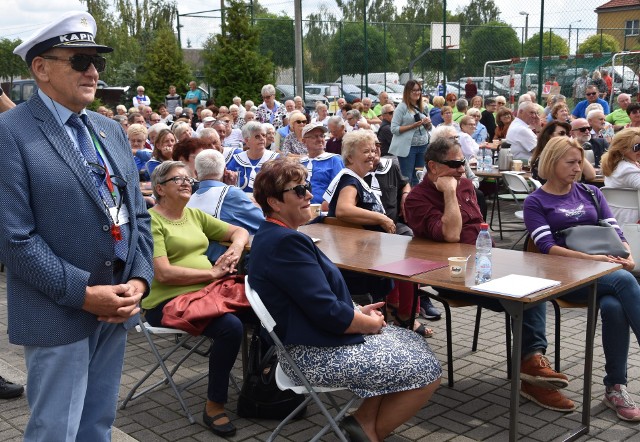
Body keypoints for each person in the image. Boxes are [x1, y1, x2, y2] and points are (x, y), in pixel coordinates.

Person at [2, 11, 153, 439]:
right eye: (80, 60)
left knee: (97, 426)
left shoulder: (109, 129)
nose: (92, 71)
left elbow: (137, 214)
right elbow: (14, 238)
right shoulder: (10, 132)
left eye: (97, 62)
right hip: (60, 310)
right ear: (40, 68)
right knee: (55, 431)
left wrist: (139, 280)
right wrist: (85, 295)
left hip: (116, 307)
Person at [248, 157, 441, 442]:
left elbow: (311, 300)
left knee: (411, 341)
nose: (310, 195)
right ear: (275, 203)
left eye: (307, 187)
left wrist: (358, 310)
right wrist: (368, 323)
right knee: (428, 370)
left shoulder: (274, 235)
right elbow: (328, 313)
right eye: (299, 191)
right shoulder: (286, 243)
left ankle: (362, 422)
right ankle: (368, 433)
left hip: (310, 340)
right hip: (311, 354)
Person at [405, 137, 577, 412]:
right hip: (453, 277)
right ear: (433, 168)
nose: (462, 169)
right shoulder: (416, 199)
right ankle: (532, 371)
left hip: (487, 266)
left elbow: (478, 230)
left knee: (534, 286)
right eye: (454, 164)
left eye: (462, 162)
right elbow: (450, 235)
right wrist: (449, 193)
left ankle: (531, 365)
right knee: (525, 295)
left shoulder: (465, 185)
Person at [524, 136, 640, 421]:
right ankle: (615, 387)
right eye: (571, 162)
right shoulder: (535, 201)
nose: (578, 168)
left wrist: (628, 255)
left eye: (580, 162)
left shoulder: (591, 192)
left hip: (604, 272)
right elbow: (547, 248)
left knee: (614, 306)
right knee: (624, 282)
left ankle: (616, 387)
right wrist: (594, 262)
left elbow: (616, 231)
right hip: (565, 278)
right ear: (552, 163)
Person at [143, 161, 250, 436]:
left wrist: (235, 250)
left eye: (189, 178)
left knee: (262, 311)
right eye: (177, 179)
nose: (186, 182)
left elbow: (240, 231)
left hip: (206, 294)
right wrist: (214, 273)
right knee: (231, 327)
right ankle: (215, 404)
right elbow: (163, 273)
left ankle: (260, 385)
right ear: (159, 189)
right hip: (167, 303)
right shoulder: (151, 221)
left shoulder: (193, 215)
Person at [325, 130, 431, 337]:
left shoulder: (356, 178)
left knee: (409, 255)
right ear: (349, 157)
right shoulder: (349, 179)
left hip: (365, 256)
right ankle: (404, 317)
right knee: (410, 259)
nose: (372, 155)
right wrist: (381, 218)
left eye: (374, 150)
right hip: (361, 263)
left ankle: (405, 314)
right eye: (365, 151)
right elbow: (343, 210)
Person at [389, 80, 432, 186]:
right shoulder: (401, 107)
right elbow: (394, 129)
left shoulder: (424, 106)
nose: (417, 93)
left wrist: (427, 124)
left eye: (418, 90)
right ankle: (406, 200)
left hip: (422, 146)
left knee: (418, 175)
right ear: (407, 92)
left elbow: (429, 128)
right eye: (413, 90)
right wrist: (412, 126)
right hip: (408, 149)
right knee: (407, 177)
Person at [530, 121, 596, 184]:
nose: (566, 137)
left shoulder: (568, 155)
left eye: (568, 134)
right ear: (549, 136)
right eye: (561, 133)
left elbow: (591, 175)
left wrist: (576, 150)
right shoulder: (543, 159)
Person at [226, 121, 279, 192]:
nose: (262, 138)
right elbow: (228, 185)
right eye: (257, 136)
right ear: (247, 140)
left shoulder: (275, 159)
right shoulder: (237, 160)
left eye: (263, 135)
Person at [299, 122, 344, 205]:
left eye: (322, 136)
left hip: (324, 210)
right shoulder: (300, 163)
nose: (320, 139)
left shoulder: (334, 160)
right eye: (315, 136)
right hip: (300, 209)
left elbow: (340, 188)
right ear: (304, 141)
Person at [602, 128, 640, 222]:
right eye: (637, 147)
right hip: (631, 220)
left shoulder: (615, 165)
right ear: (623, 149)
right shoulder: (627, 169)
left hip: (616, 217)